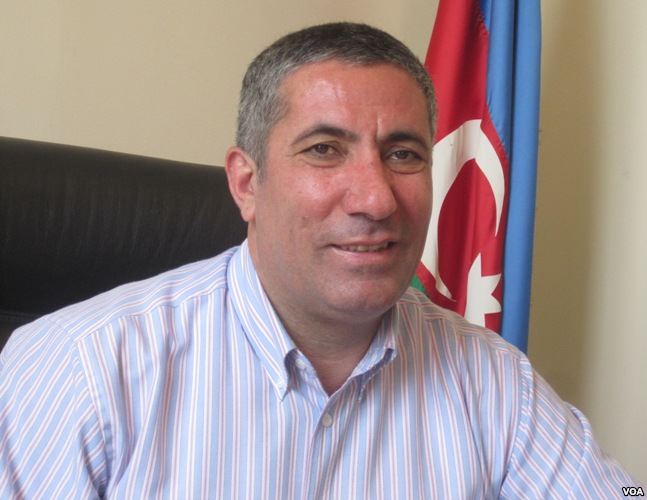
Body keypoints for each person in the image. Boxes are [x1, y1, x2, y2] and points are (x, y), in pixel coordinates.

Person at [0, 22, 640, 499]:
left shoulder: (493, 379)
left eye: (403, 154)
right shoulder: (80, 368)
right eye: (324, 150)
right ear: (247, 184)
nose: (375, 198)